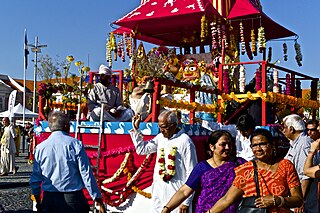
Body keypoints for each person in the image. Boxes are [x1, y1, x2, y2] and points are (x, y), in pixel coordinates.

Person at [207, 128, 303, 213]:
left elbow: (298, 199)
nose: (258, 149)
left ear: (272, 145)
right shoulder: (246, 170)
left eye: (262, 144)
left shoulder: (285, 166)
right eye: (255, 145)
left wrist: (277, 200)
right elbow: (227, 199)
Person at [29, 111, 105, 213]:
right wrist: (97, 199)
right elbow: (86, 174)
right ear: (66, 126)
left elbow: (35, 178)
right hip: (73, 198)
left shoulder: (40, 148)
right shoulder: (76, 145)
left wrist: (38, 201)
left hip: (49, 199)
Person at [161, 130, 246, 213]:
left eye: (229, 144)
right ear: (212, 147)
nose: (227, 148)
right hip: (204, 210)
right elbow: (184, 191)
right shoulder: (202, 167)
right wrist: (167, 209)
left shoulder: (240, 164)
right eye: (223, 144)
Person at [130, 110, 198, 213]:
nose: (161, 130)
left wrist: (186, 201)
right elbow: (141, 149)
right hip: (159, 192)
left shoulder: (185, 141)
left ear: (174, 125)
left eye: (165, 127)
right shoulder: (160, 138)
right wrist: (136, 129)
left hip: (177, 196)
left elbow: (192, 173)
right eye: (160, 127)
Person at [282, 114, 320, 212]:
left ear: (291, 129)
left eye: (285, 127)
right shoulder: (295, 143)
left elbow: (306, 175)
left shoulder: (304, 144)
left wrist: (300, 201)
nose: (283, 131)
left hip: (304, 202)